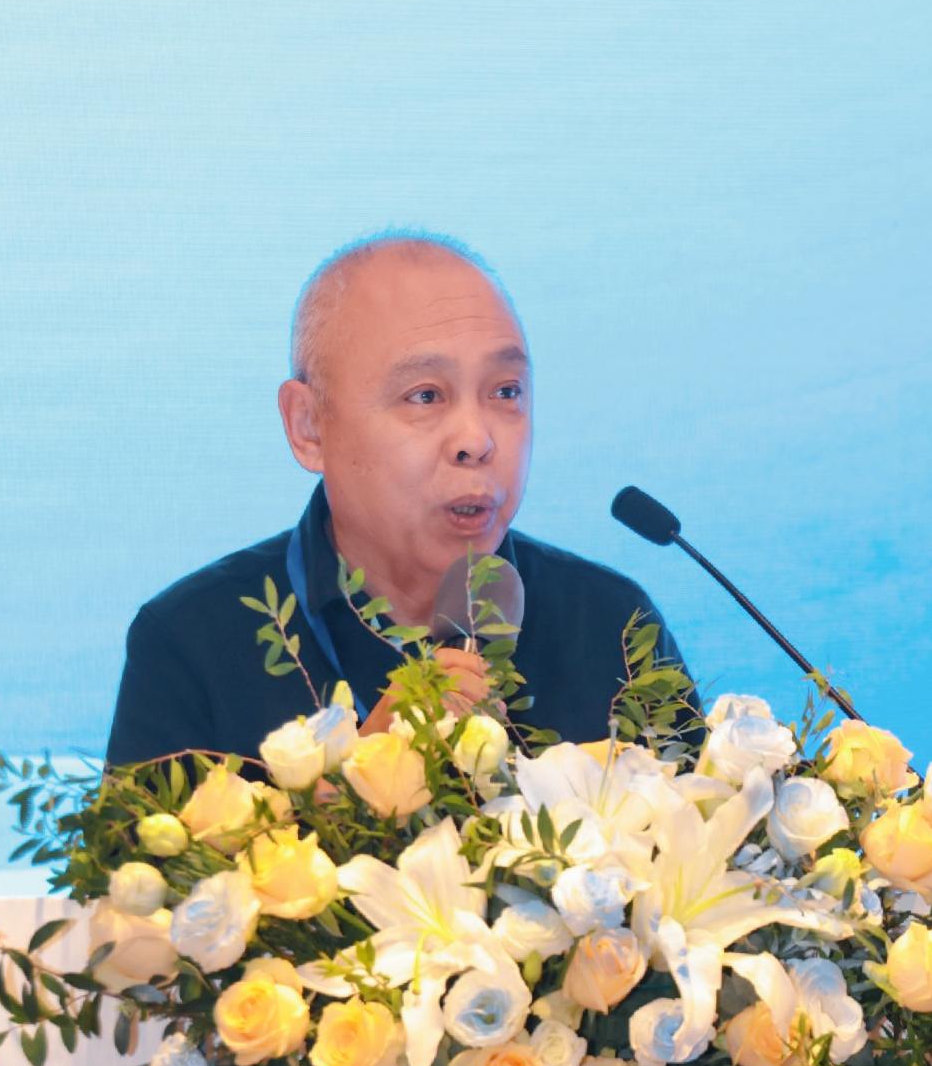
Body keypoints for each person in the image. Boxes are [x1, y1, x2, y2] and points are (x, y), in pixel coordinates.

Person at [105, 234, 689, 766]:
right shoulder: (189, 645)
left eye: (506, 391)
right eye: (426, 395)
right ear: (309, 426)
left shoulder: (613, 626)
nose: (476, 439)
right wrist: (361, 789)